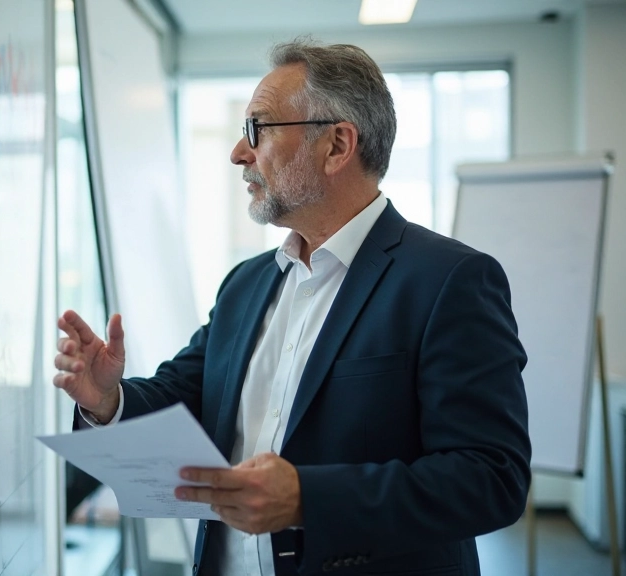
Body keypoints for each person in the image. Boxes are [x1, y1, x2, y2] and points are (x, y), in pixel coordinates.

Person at [53, 39, 530, 576]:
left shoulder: (449, 280)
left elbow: (491, 478)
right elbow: (185, 400)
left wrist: (308, 498)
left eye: (257, 128)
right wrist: (108, 399)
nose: (238, 152)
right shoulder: (246, 284)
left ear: (336, 146)